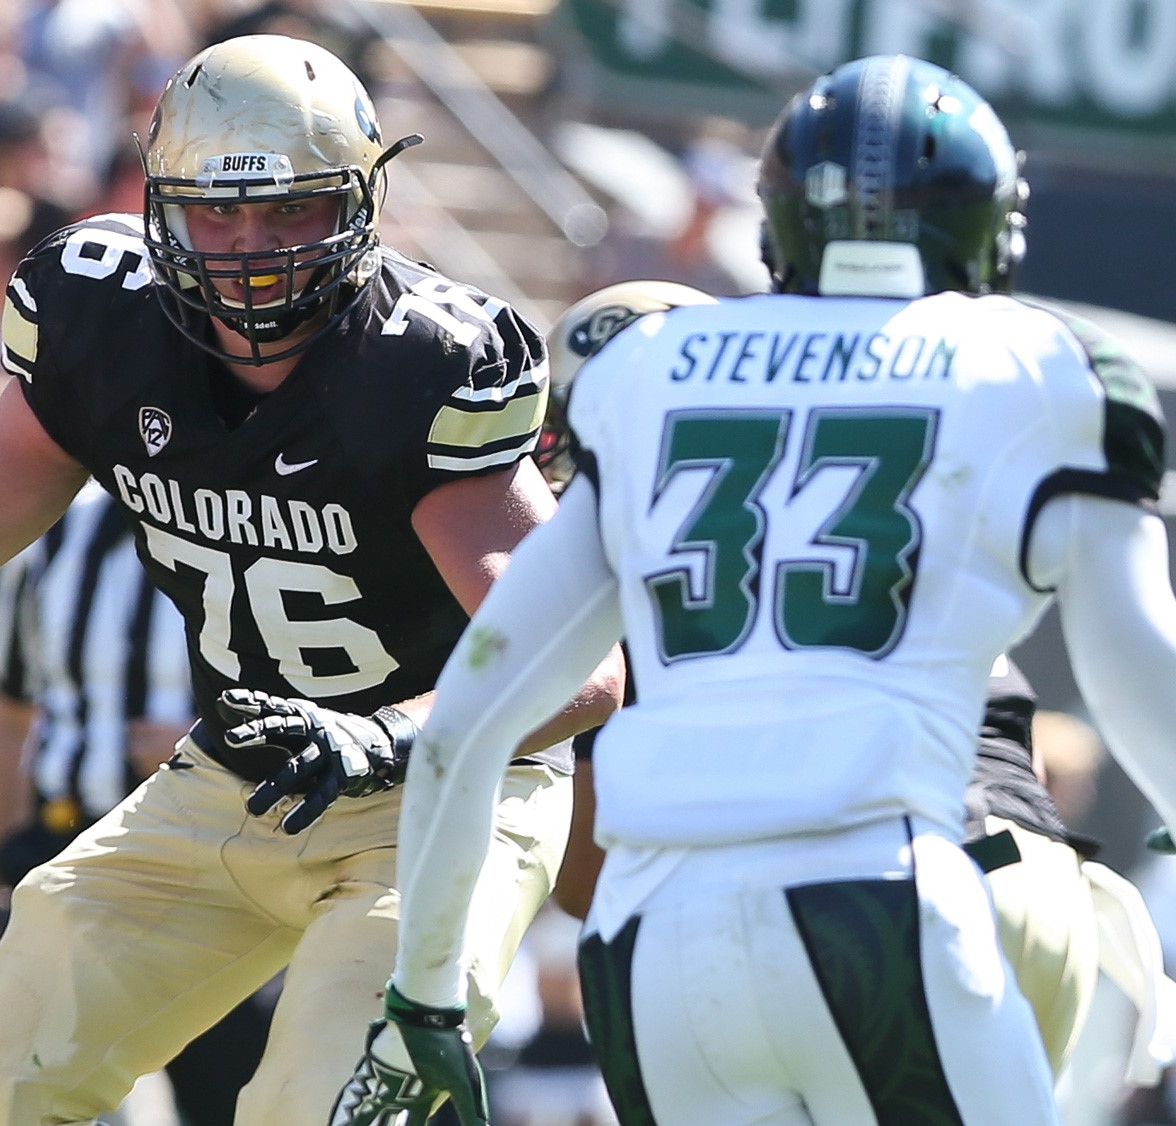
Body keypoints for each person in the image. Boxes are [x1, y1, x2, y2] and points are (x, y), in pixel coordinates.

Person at [0, 34, 623, 1126]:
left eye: (289, 209)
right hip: (240, 773)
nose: (250, 247)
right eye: (218, 211)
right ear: (161, 208)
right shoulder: (101, 322)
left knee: (318, 1110)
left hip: (443, 790)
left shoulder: (415, 361)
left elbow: (573, 659)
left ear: (357, 200)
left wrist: (386, 734)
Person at [334, 51, 1176, 1126]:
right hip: (875, 896)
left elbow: (468, 726)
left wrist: (426, 996)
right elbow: (1129, 648)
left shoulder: (650, 365)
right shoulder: (1036, 361)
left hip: (648, 939)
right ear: (983, 226)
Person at [0, 483, 272, 1126]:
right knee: (15, 1097)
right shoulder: (56, 531)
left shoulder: (268, 526)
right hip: (71, 850)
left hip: (217, 865)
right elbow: (8, 717)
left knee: (233, 1099)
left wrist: (214, 745)